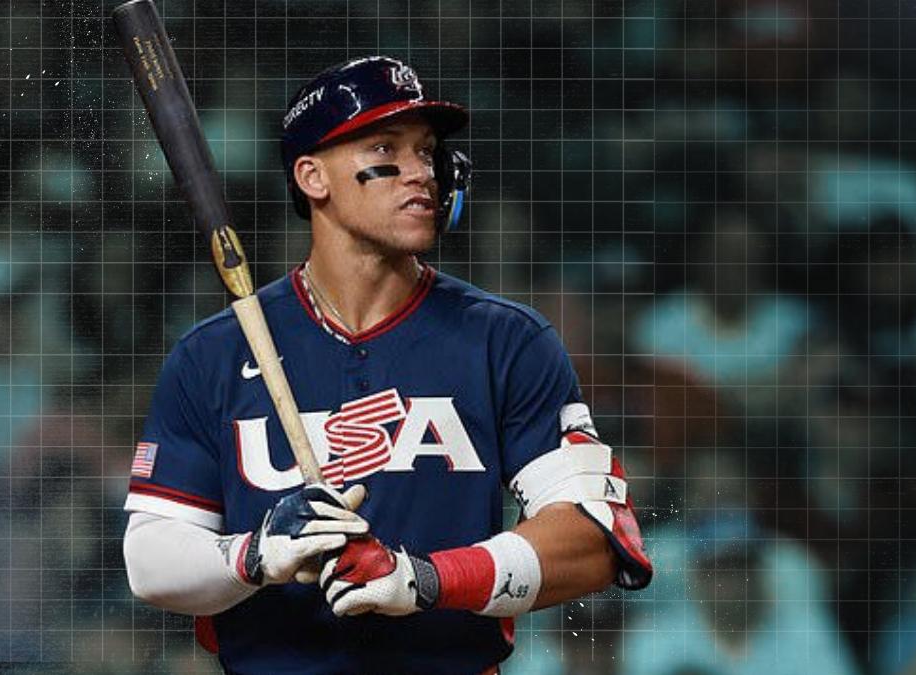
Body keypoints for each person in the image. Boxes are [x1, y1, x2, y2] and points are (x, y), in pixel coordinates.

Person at [121, 55, 652, 674]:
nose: (421, 173)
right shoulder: (214, 352)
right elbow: (150, 559)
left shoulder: (506, 340)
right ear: (313, 177)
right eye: (385, 149)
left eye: (427, 152)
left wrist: (425, 579)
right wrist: (257, 553)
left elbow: (594, 539)